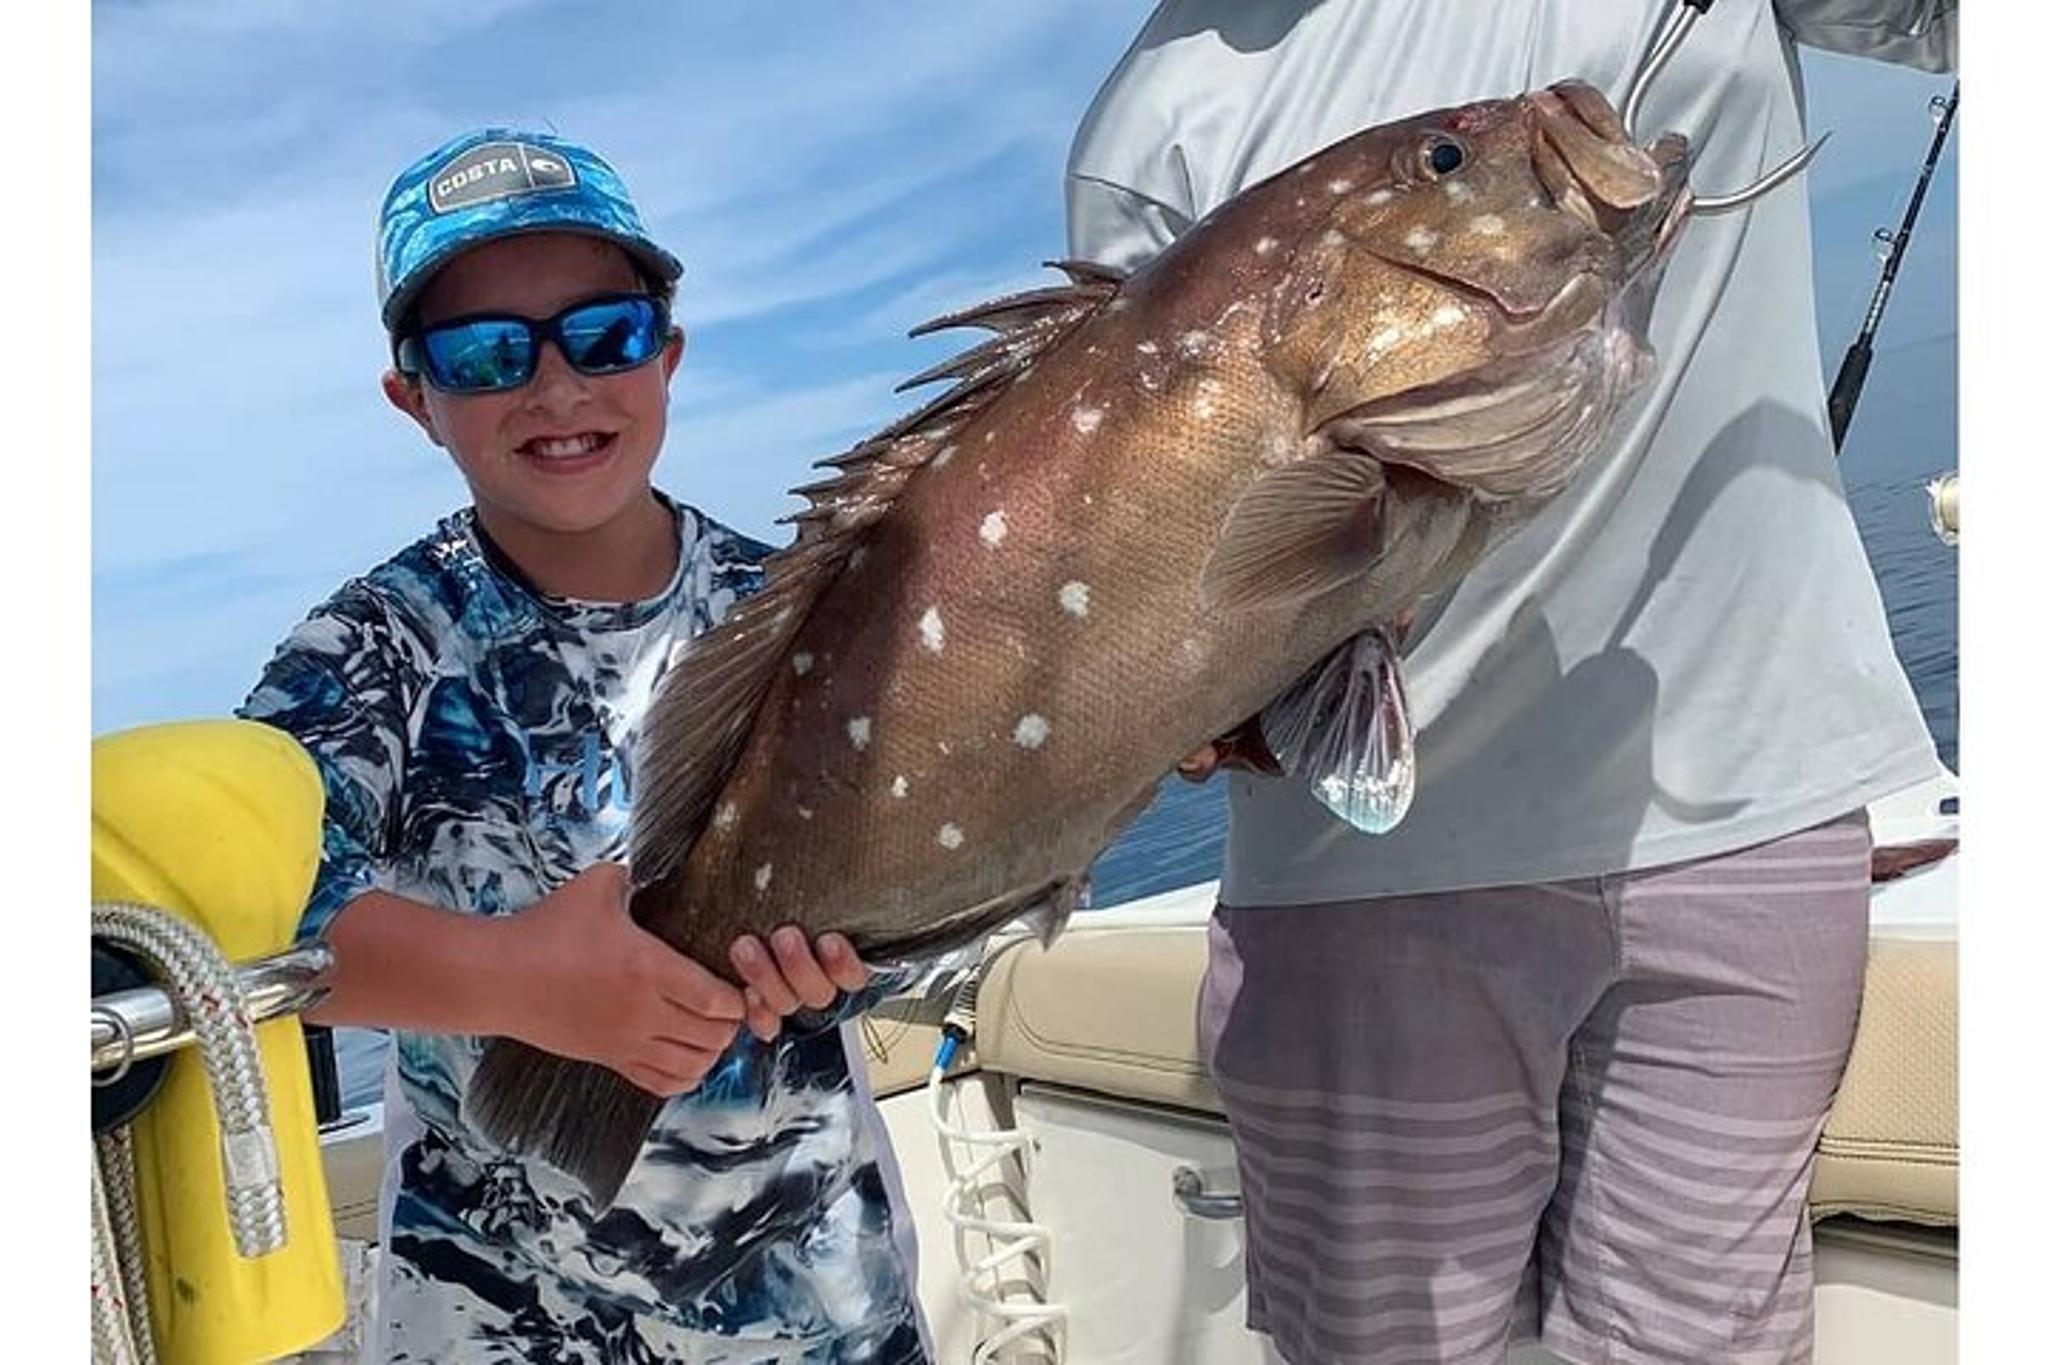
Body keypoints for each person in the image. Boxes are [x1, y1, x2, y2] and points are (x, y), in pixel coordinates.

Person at [1066, 2, 1954, 1362]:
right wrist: (1188, 691)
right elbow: (1141, 527)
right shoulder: (1149, 122)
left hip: (1755, 809)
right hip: (1359, 878)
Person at [240, 127, 931, 1363]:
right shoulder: (374, 649)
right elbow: (241, 913)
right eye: (486, 353)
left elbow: (914, 860)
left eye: (600, 333)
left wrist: (852, 956)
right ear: (417, 400)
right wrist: (512, 980)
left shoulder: (802, 613)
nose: (556, 387)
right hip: (501, 1314)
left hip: (819, 1298)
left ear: (666, 353)